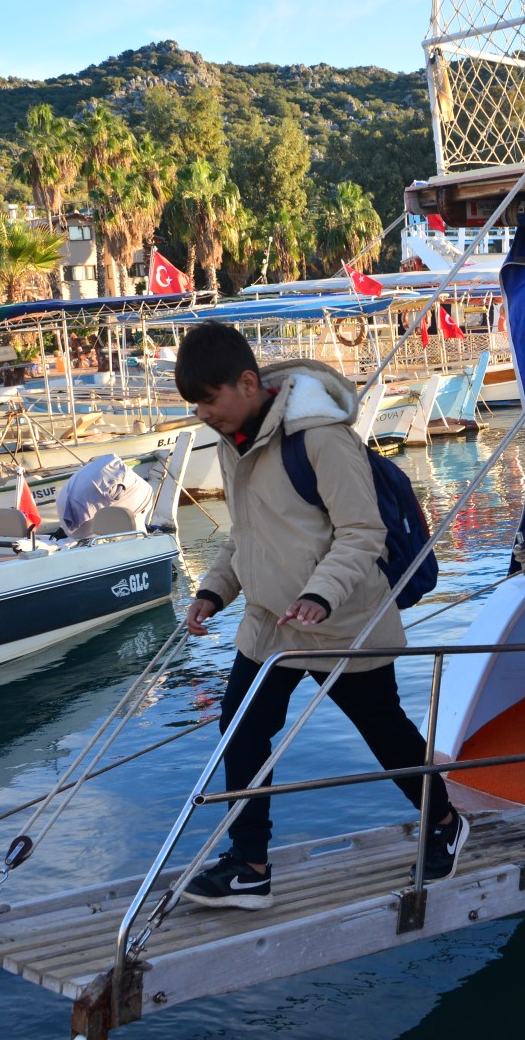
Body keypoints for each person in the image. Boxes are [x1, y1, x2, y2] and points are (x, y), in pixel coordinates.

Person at [175, 323, 467, 910]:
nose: (202, 414)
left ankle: (445, 822)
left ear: (248, 382)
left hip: (341, 620)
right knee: (244, 732)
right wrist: (213, 590)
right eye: (196, 405)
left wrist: (321, 595)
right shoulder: (233, 441)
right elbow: (248, 536)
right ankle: (251, 866)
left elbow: (363, 533)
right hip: (268, 625)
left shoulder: (321, 440)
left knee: (385, 733)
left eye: (209, 400)